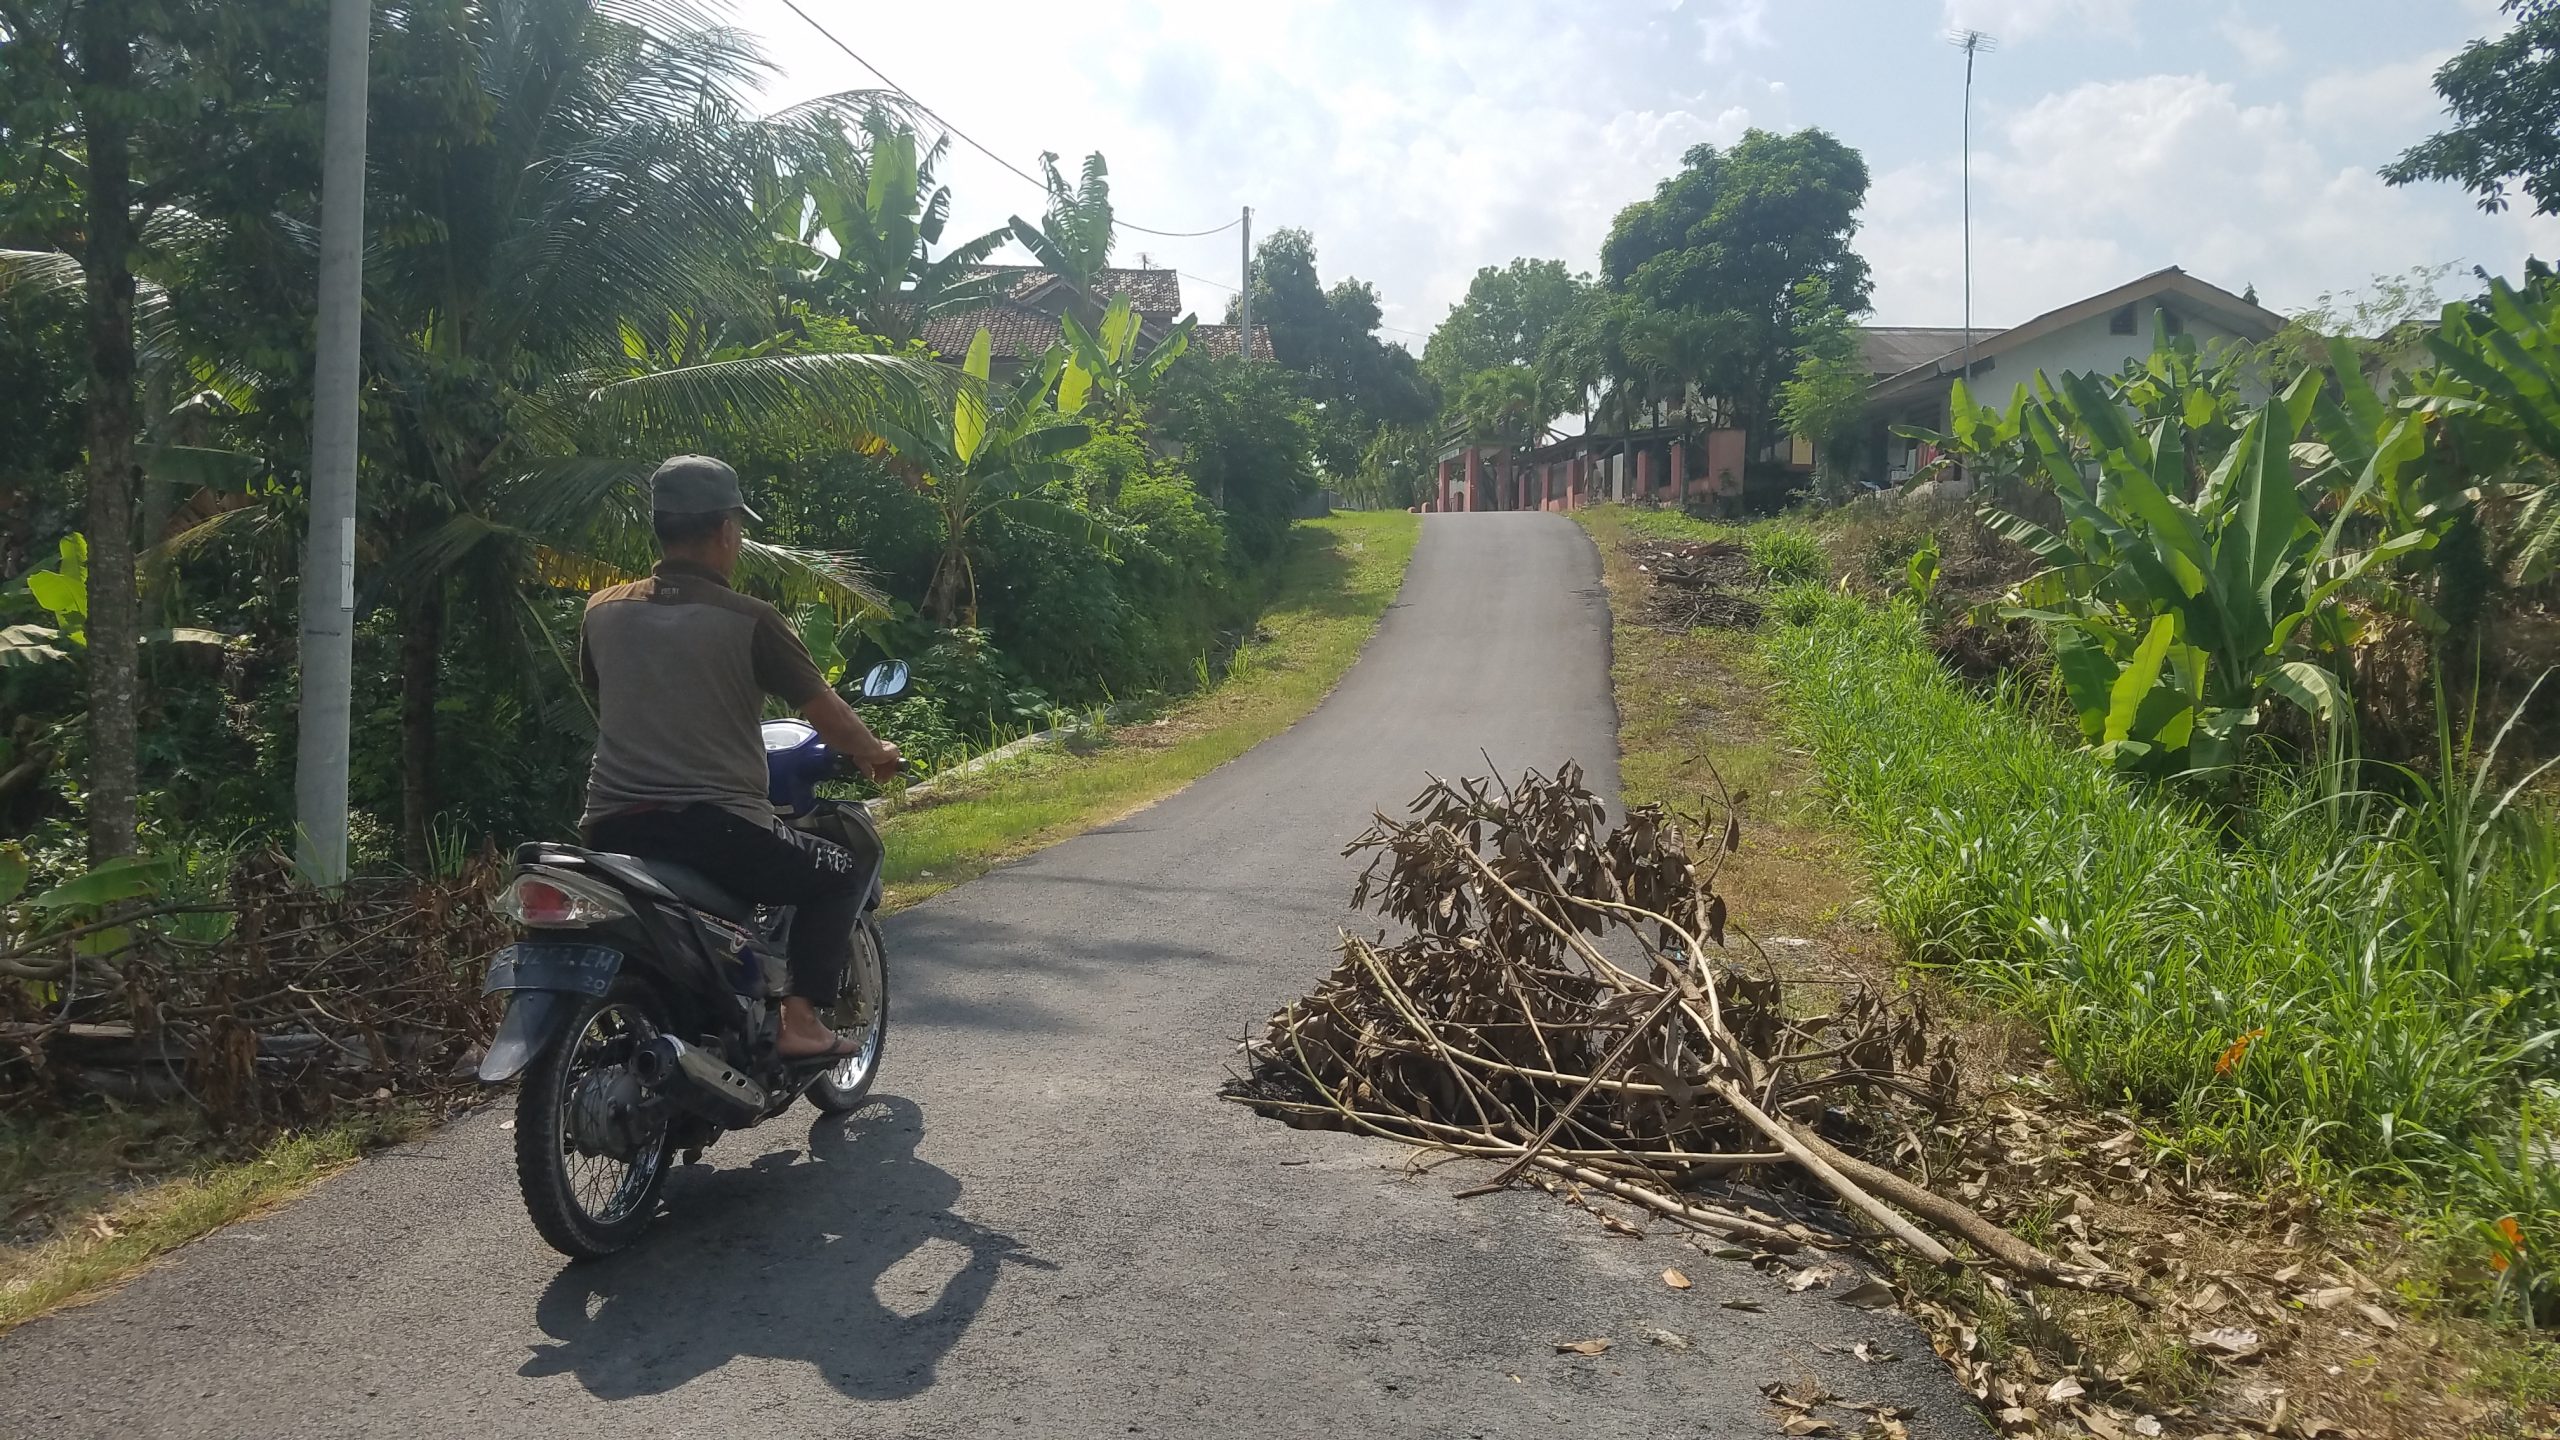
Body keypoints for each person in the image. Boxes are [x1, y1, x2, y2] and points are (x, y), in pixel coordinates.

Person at [576, 454, 902, 1060]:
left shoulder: (602, 609)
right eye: (739, 531)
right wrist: (874, 752)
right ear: (727, 531)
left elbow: (614, 695)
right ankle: (801, 1021)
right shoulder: (750, 620)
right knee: (840, 871)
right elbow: (825, 714)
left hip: (609, 827)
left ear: (661, 527)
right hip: (714, 828)